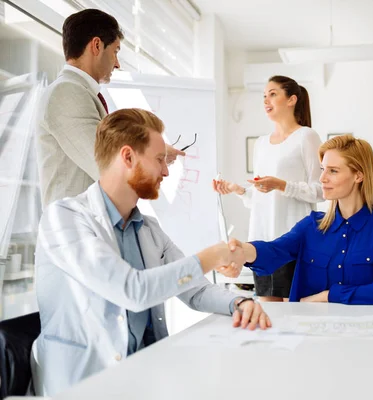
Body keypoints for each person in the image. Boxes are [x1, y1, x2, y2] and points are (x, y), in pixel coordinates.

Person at [31, 109, 270, 397]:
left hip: (142, 376)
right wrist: (212, 256)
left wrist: (240, 303)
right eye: (159, 160)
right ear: (128, 157)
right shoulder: (64, 218)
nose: (166, 171)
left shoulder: (147, 227)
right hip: (81, 385)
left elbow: (195, 290)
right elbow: (130, 290)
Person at [219, 135, 373, 305]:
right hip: (310, 334)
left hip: (364, 333)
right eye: (323, 169)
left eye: (333, 171)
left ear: (358, 175)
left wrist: (328, 296)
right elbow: (274, 250)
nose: (322, 178)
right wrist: (243, 251)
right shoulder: (312, 225)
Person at [35, 8, 184, 208]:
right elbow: (105, 163)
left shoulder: (80, 92)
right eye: (115, 51)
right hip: (74, 231)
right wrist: (155, 154)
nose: (117, 63)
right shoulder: (66, 93)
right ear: (96, 46)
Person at [213, 75, 323, 302]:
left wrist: (281, 185)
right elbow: (261, 197)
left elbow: (320, 190)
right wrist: (238, 190)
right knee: (270, 316)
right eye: (264, 95)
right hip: (262, 241)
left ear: (292, 99)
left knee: (300, 316)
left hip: (295, 241)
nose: (266, 100)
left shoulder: (306, 136)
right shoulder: (261, 143)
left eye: (273, 94)